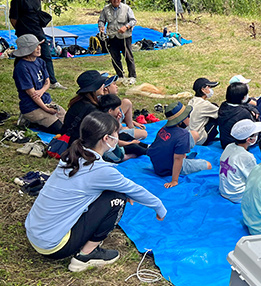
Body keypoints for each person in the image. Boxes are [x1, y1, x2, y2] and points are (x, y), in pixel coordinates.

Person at [24, 112, 166, 272]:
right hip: (54, 246)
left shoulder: (71, 155)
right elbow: (135, 189)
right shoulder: (101, 171)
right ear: (106, 138)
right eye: (116, 134)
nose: (117, 137)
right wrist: (159, 206)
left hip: (35, 232)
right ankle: (86, 255)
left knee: (114, 191)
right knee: (117, 196)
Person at [9, 0, 66, 89]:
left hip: (38, 32)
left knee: (46, 55)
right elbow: (13, 19)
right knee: (23, 56)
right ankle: (19, 76)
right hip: (25, 33)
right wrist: (21, 30)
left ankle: (52, 82)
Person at [147, 102, 212, 188]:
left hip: (157, 165)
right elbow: (177, 159)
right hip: (168, 168)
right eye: (187, 116)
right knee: (208, 165)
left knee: (194, 134)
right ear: (181, 120)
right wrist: (174, 181)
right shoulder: (183, 135)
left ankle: (183, 154)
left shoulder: (164, 128)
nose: (189, 117)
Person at [12, 34, 66, 133]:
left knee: (68, 122)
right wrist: (47, 109)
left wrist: (41, 91)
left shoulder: (40, 62)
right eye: (35, 47)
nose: (39, 48)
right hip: (31, 107)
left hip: (45, 100)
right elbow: (33, 95)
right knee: (59, 129)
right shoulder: (21, 68)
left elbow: (47, 81)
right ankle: (28, 120)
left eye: (39, 45)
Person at [219, 119, 261, 203]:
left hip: (224, 191)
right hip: (238, 196)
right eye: (255, 134)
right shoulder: (247, 156)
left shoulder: (229, 146)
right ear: (249, 139)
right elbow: (254, 180)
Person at [98, 0, 137, 85]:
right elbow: (101, 20)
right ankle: (120, 76)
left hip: (125, 36)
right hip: (112, 37)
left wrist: (126, 27)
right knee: (115, 58)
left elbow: (133, 21)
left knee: (128, 57)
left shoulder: (126, 8)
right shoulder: (106, 9)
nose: (115, 0)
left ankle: (132, 76)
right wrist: (101, 27)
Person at [61, 71, 107, 145]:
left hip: (69, 140)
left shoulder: (78, 101)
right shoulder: (92, 109)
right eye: (101, 84)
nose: (104, 86)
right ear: (94, 87)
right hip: (78, 146)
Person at [98, 94, 149, 161]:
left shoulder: (109, 118)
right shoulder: (106, 124)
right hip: (111, 152)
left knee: (125, 135)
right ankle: (146, 152)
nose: (119, 110)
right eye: (117, 108)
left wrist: (117, 120)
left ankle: (147, 146)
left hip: (113, 142)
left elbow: (117, 131)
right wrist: (130, 143)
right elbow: (116, 142)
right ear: (110, 111)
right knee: (133, 147)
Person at [101, 73, 147, 140]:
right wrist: (120, 126)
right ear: (105, 88)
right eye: (114, 84)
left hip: (116, 123)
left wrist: (132, 122)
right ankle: (127, 132)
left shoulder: (109, 99)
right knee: (144, 134)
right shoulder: (105, 105)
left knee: (126, 102)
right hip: (112, 130)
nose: (116, 86)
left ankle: (130, 127)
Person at [218, 82, 259, 149]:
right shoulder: (244, 113)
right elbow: (252, 129)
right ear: (243, 97)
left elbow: (243, 105)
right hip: (238, 145)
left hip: (224, 142)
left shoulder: (223, 106)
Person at [188, 77, 220, 145]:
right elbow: (221, 113)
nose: (211, 90)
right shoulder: (205, 105)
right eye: (209, 87)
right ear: (203, 89)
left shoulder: (191, 101)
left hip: (188, 136)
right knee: (218, 118)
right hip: (199, 139)